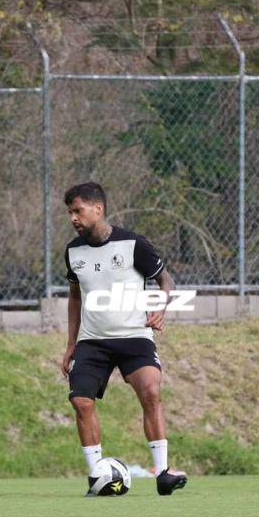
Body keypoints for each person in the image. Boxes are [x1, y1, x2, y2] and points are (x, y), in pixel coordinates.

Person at [59, 182, 188, 496]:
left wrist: (161, 307)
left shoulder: (133, 243)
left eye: (78, 210)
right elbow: (75, 297)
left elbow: (165, 280)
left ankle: (164, 472)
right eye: (70, 213)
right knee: (80, 400)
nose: (73, 218)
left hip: (134, 337)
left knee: (151, 390)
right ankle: (99, 476)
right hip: (93, 342)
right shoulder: (73, 251)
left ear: (98, 209)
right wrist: (70, 343)